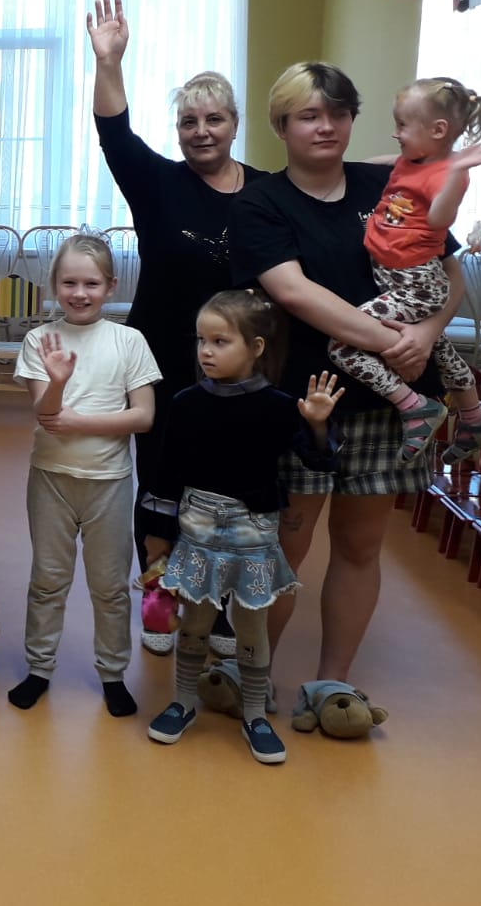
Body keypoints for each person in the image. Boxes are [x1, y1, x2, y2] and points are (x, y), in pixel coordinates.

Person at [229, 62, 465, 728]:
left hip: (393, 405)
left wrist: (429, 332)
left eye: (338, 113)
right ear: (282, 125)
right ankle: (253, 677)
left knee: (361, 546)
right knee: (284, 547)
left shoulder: (387, 184)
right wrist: (395, 339)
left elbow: (448, 270)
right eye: (309, 115)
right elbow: (294, 292)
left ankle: (332, 683)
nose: (325, 126)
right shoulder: (260, 203)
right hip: (305, 401)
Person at [87, 0, 264, 656]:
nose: (201, 131)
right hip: (158, 361)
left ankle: (216, 609)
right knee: (160, 485)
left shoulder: (266, 194)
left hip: (239, 372)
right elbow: (114, 132)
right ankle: (160, 600)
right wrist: (109, 62)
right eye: (189, 121)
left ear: (235, 123)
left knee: (227, 492)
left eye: (214, 119)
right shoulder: (157, 182)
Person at [143, 290, 342, 766]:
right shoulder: (186, 402)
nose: (206, 351)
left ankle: (254, 712)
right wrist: (156, 539)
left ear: (255, 348)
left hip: (253, 533)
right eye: (201, 340)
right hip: (197, 528)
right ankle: (182, 701)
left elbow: (317, 461)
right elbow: (165, 473)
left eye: (220, 341)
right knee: (195, 624)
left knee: (251, 628)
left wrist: (317, 425)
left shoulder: (279, 406)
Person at [7, 234, 160, 718]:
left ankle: (112, 674)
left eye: (91, 283)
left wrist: (80, 422)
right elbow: (44, 413)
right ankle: (39, 668)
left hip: (109, 482)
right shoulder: (39, 340)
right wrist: (56, 382)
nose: (79, 293)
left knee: (110, 586)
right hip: (51, 479)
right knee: (48, 580)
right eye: (69, 282)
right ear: (54, 284)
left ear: (110, 285)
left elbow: (143, 417)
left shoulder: (129, 340)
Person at [328, 78, 481, 464]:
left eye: (403, 125)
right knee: (438, 347)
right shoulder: (414, 160)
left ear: (437, 130)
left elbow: (439, 218)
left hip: (415, 286)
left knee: (342, 343)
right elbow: (389, 165)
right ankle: (475, 418)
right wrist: (345, 168)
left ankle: (414, 406)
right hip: (401, 281)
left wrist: (457, 173)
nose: (396, 132)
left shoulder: (449, 174)